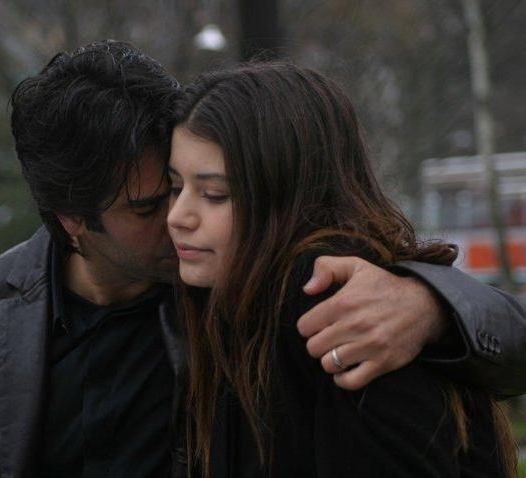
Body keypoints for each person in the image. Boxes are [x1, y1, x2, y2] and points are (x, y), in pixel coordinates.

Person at [0, 42, 525, 477]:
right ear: (71, 221)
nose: (176, 216)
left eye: (205, 191)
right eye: (154, 201)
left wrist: (430, 306)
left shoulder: (268, 291)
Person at [167, 61, 518, 477]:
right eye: (175, 187)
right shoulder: (231, 299)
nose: (178, 216)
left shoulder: (335, 307)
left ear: (287, 192)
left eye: (215, 194)